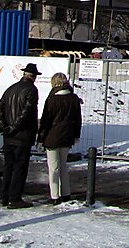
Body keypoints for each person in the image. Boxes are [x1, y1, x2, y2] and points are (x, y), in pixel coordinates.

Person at [0, 63, 40, 209]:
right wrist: (14, 127)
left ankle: (4, 197)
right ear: (33, 76)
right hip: (22, 136)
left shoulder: (11, 89)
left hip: (9, 136)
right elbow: (26, 113)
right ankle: (14, 198)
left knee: (8, 166)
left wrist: (4, 127)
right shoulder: (31, 90)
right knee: (20, 168)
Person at [37, 72, 82, 204]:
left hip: (52, 136)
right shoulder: (74, 98)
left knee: (53, 168)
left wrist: (40, 138)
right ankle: (66, 193)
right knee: (63, 165)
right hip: (67, 136)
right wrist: (76, 135)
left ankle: (55, 195)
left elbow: (46, 121)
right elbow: (78, 119)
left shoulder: (51, 99)